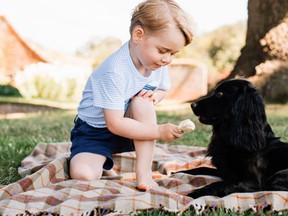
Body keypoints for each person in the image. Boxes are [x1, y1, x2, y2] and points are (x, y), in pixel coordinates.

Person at [69, 0, 193, 191]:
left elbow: (162, 89)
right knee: (83, 175)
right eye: (163, 51)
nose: (167, 59)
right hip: (96, 131)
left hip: (131, 126)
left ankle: (144, 175)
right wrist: (159, 131)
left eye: (173, 53)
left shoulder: (156, 63)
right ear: (138, 35)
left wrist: (155, 97)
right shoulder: (115, 71)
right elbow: (114, 124)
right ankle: (100, 160)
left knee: (143, 103)